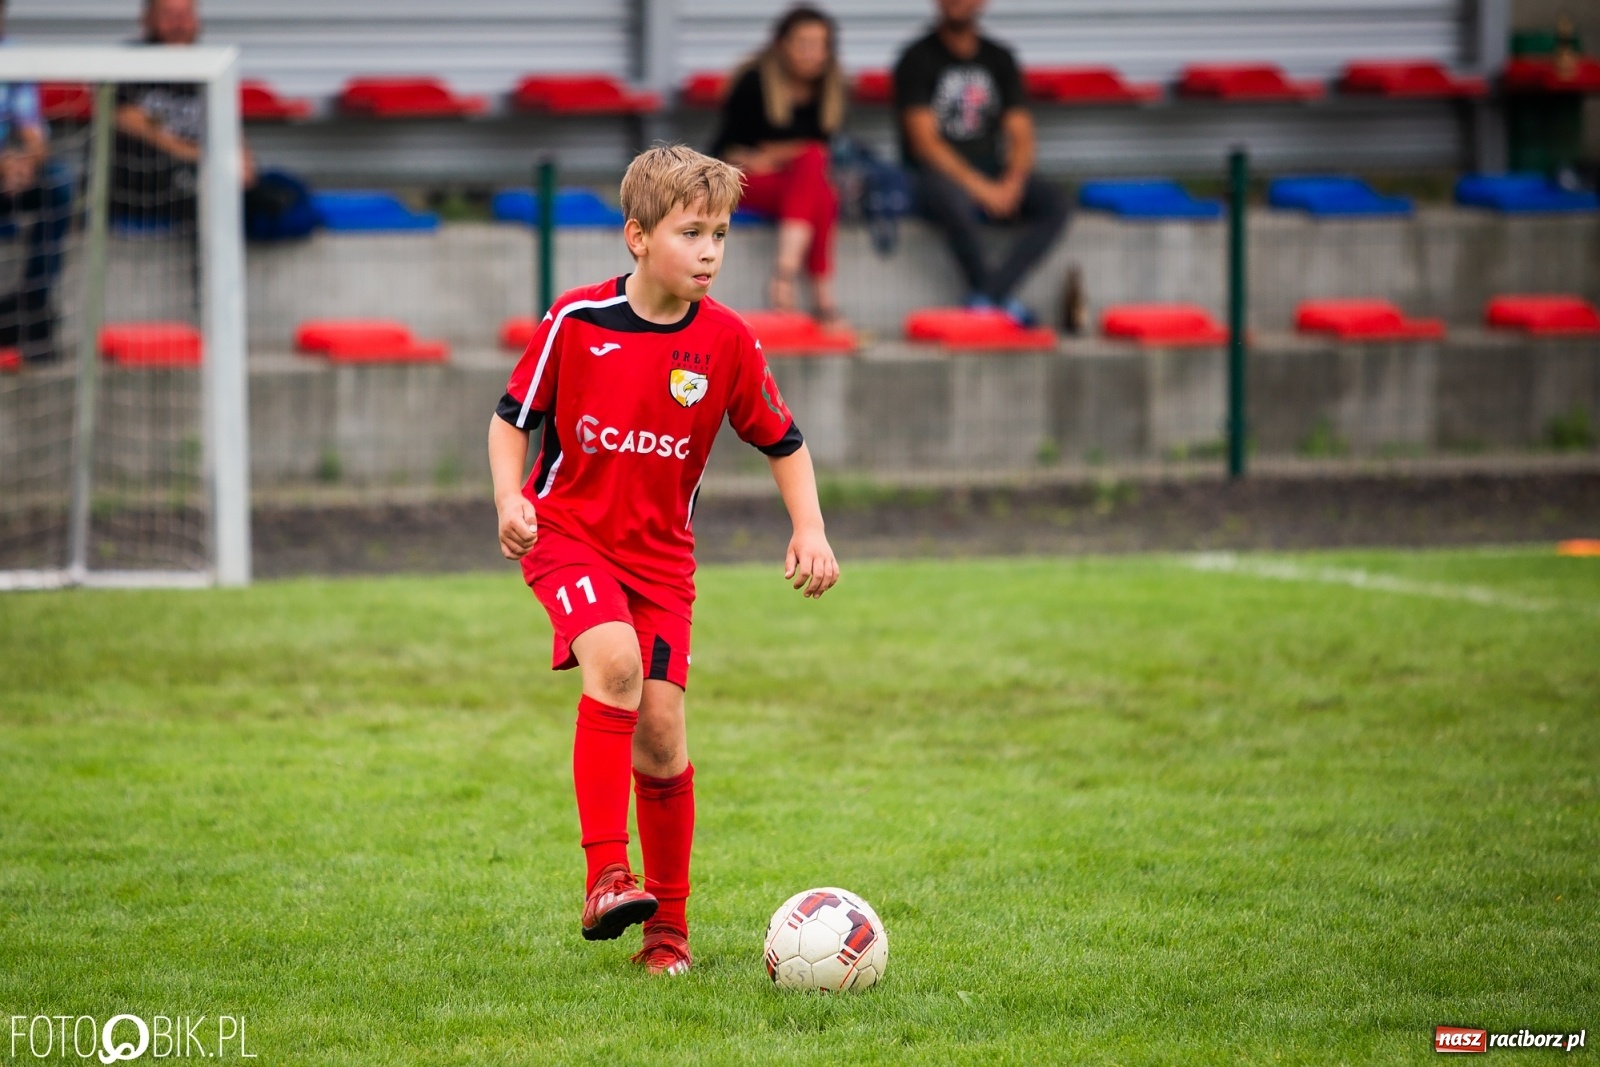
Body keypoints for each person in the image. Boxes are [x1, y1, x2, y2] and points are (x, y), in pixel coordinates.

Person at [486, 144, 840, 976]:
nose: (711, 251)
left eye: (721, 233)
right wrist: (510, 499)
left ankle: (667, 932)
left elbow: (784, 443)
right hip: (566, 534)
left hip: (661, 563)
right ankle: (607, 873)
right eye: (692, 233)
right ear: (637, 237)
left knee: (662, 731)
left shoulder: (727, 343)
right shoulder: (575, 323)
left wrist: (811, 529)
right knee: (611, 662)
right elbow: (512, 420)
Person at [892, 0, 1069, 325]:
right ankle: (997, 301)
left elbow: (1021, 134)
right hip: (933, 174)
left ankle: (989, 296)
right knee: (950, 199)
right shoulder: (916, 58)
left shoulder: (999, 58)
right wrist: (982, 189)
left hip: (992, 168)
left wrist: (1013, 181)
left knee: (1056, 201)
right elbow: (925, 143)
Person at [710, 5, 848, 327]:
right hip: (742, 180)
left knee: (820, 187)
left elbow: (819, 150)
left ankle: (784, 282)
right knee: (816, 178)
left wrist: (783, 154)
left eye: (820, 45)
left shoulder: (831, 88)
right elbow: (726, 153)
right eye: (803, 43)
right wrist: (782, 156)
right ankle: (817, 294)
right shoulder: (753, 81)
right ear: (782, 45)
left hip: (794, 186)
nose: (812, 54)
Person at [113, 0, 256, 227]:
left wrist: (241, 165)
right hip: (143, 185)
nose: (178, 24)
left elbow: (233, 137)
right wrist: (208, 158)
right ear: (147, 19)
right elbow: (134, 122)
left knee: (275, 192)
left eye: (186, 15)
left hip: (202, 176)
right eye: (169, 15)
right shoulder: (128, 65)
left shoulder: (212, 71)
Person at [0, 0, 71, 363]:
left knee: (58, 183)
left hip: (8, 172)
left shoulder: (13, 58)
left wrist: (27, 162)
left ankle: (33, 305)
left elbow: (34, 132)